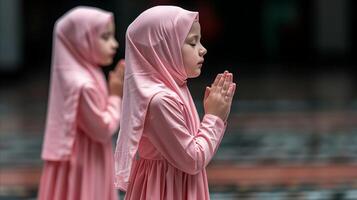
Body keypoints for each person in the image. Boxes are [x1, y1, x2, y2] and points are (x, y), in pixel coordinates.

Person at [114, 5, 236, 200]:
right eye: (192, 43)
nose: (203, 49)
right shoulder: (159, 100)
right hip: (166, 190)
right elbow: (193, 159)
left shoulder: (176, 88)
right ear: (162, 48)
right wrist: (214, 118)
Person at [38, 6, 124, 200]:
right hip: (85, 162)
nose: (114, 44)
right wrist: (115, 96)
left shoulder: (85, 72)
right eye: (105, 37)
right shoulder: (83, 84)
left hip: (83, 156)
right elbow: (102, 127)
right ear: (80, 40)